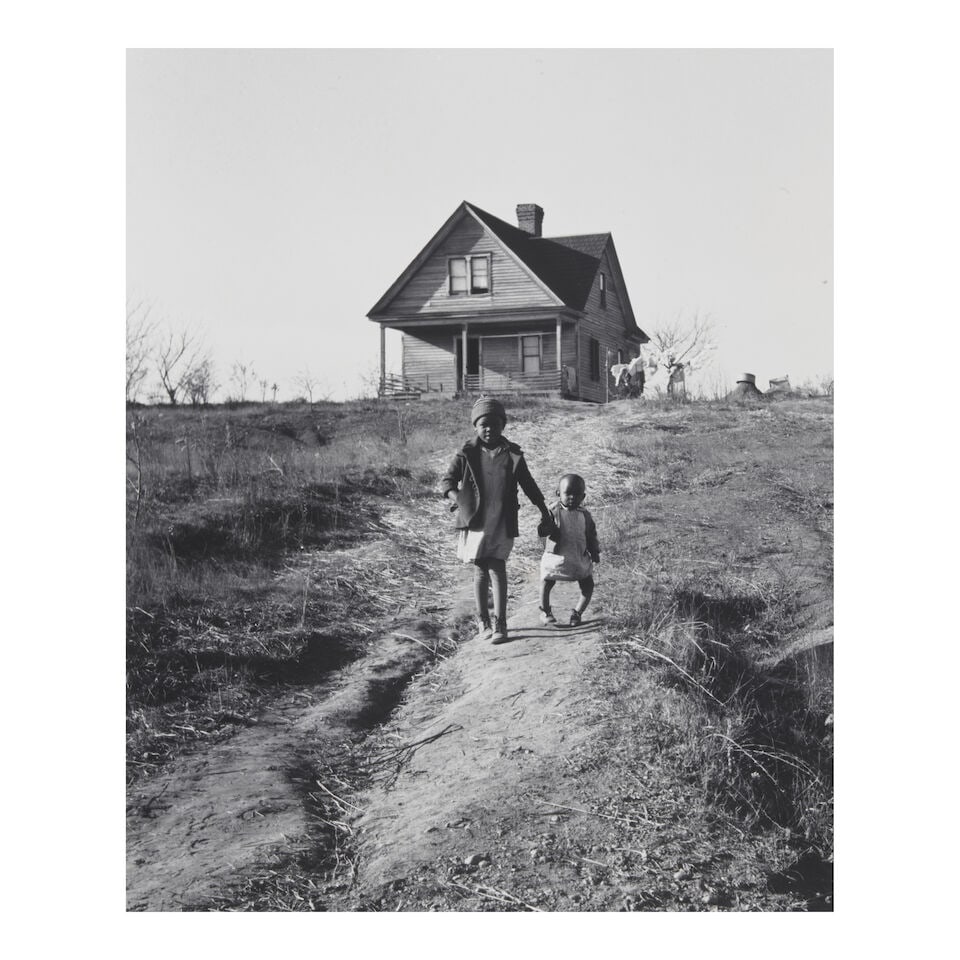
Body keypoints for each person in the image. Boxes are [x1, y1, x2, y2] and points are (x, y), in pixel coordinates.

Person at [442, 397, 553, 644]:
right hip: (476, 521)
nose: (489, 429)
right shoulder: (467, 452)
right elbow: (447, 481)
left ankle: (501, 624)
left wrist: (544, 510)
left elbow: (529, 485)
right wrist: (457, 498)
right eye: (483, 425)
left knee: (498, 567)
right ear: (475, 427)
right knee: (481, 568)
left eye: (494, 424)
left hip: (502, 520)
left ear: (503, 426)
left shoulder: (513, 454)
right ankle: (484, 622)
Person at [538, 473, 600, 627]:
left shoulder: (585, 515)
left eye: (577, 494)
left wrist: (595, 551)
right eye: (568, 493)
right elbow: (541, 531)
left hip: (578, 558)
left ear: (583, 496)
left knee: (588, 585)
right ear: (558, 493)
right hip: (556, 559)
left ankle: (577, 613)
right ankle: (545, 611)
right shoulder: (553, 511)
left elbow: (591, 535)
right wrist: (546, 524)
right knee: (547, 582)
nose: (572, 497)